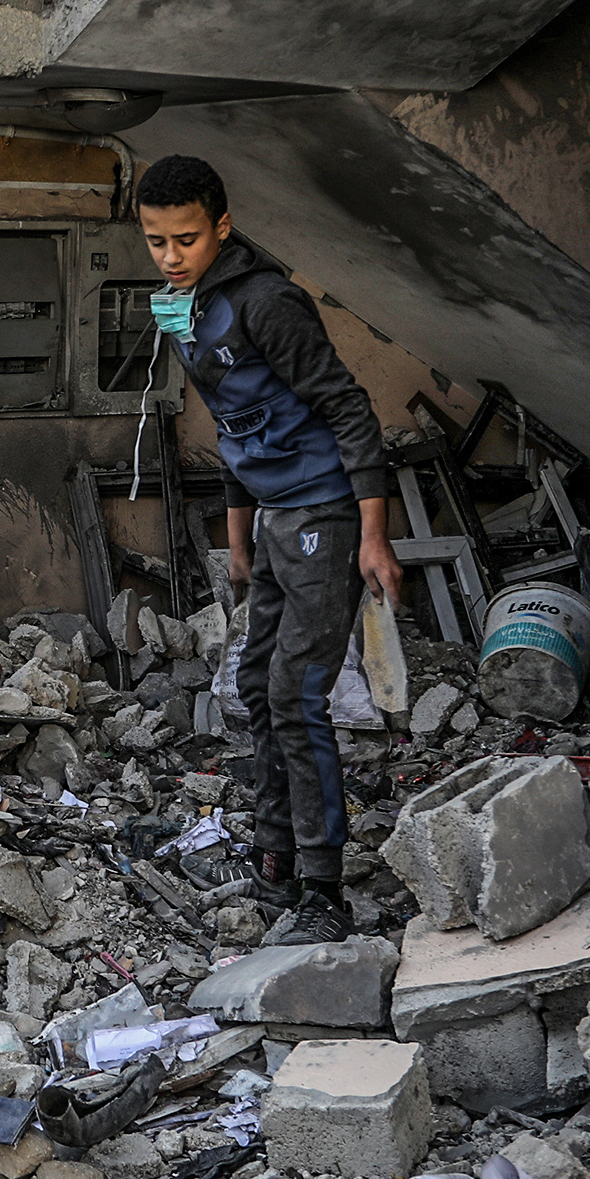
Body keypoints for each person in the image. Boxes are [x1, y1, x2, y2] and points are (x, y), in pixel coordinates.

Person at [134, 153, 400, 946]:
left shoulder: (268, 303)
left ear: (221, 226)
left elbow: (350, 411)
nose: (171, 255)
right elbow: (233, 425)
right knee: (255, 682)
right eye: (155, 241)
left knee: (295, 694)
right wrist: (237, 539)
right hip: (274, 520)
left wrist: (376, 537)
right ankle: (274, 860)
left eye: (186, 238)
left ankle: (323, 888)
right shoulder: (182, 309)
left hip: (327, 514)